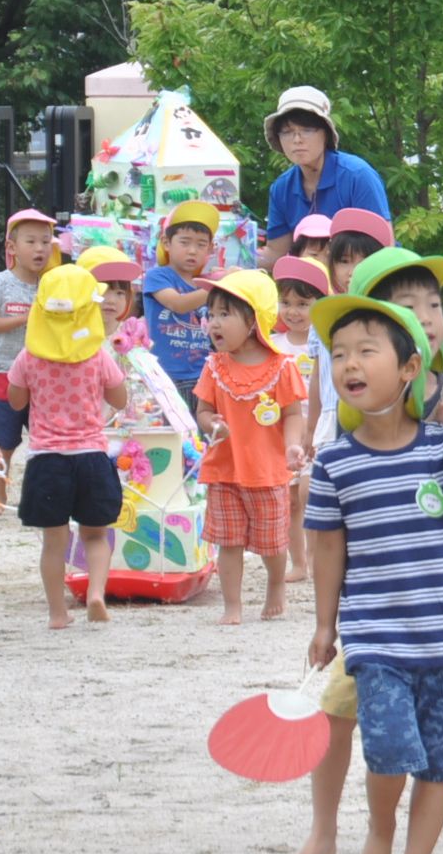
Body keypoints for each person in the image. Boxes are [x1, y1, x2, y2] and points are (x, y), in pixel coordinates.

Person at [285, 249, 443, 854]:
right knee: (343, 714)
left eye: (433, 305)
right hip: (378, 608)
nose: (426, 315)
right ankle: (330, 829)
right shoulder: (362, 411)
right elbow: (330, 535)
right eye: (407, 304)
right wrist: (323, 621)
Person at [9, 264, 130, 626]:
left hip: (47, 459)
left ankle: (58, 613)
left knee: (54, 543)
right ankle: (95, 593)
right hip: (91, 455)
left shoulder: (29, 356)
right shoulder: (97, 355)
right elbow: (120, 399)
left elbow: (15, 402)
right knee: (95, 536)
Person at [194, 270, 308, 624]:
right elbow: (202, 410)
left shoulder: (281, 367)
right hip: (224, 468)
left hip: (266, 470)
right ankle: (232, 605)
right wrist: (212, 424)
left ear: (254, 320)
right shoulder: (214, 367)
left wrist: (292, 446)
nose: (214, 322)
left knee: (273, 543)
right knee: (228, 541)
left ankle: (276, 585)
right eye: (211, 314)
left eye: (225, 314)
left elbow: (292, 414)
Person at [0, 209, 56, 516]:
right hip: (3, 372)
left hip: (44, 374)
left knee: (44, 438)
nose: (40, 249)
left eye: (46, 242)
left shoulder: (52, 283)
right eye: (31, 241)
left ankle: (40, 495)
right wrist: (28, 317)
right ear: (12, 247)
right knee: (3, 440)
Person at [259, 86, 391, 261]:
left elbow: (384, 247)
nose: (297, 139)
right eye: (288, 132)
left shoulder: (357, 176)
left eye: (307, 130)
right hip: (310, 283)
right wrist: (237, 259)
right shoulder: (281, 188)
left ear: (326, 134)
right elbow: (277, 253)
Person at [305, 208, 392, 456]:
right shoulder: (323, 313)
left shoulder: (388, 317)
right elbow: (317, 376)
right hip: (331, 416)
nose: (352, 269)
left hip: (374, 419)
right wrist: (311, 427)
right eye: (344, 261)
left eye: (363, 261)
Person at [271, 256, 329, 586]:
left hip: (317, 431)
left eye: (303, 303)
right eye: (286, 302)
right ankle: (298, 562)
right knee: (290, 501)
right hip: (284, 435)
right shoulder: (274, 346)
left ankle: (315, 556)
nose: (293, 311)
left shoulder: (323, 344)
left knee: (312, 496)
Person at [141, 201, 217, 391]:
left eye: (201, 245)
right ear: (166, 243)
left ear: (210, 249)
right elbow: (178, 304)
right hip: (165, 375)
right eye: (184, 242)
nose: (193, 250)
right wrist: (219, 286)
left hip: (203, 374)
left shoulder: (205, 282)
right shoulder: (157, 276)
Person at [76, 244, 148, 357]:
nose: (111, 300)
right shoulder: (73, 333)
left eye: (120, 293)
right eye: (102, 291)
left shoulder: (131, 333)